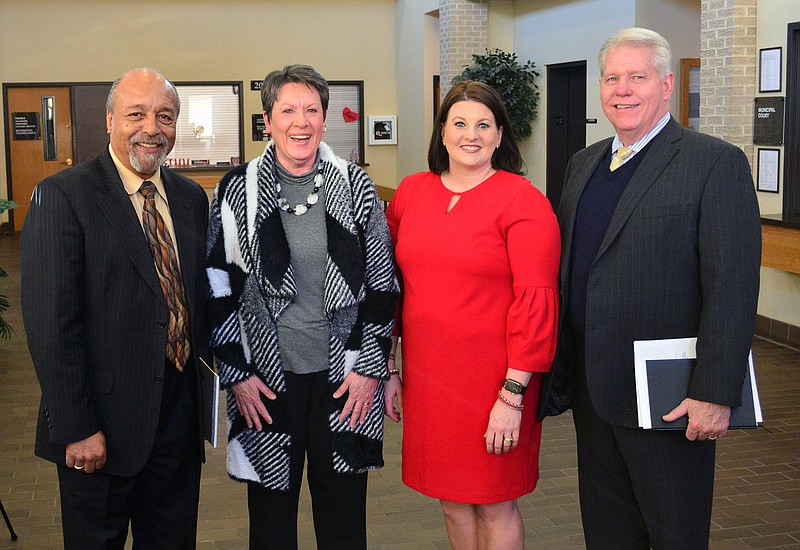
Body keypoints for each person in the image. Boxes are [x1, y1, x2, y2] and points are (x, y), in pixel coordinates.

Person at [538, 28, 762, 549]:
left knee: (673, 534)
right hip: (596, 392)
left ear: (665, 84)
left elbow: (732, 286)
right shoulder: (582, 164)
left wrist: (714, 391)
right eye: (612, 78)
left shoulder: (713, 163)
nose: (623, 90)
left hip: (671, 396)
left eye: (636, 77)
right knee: (607, 531)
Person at [205, 64, 399, 549]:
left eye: (312, 110)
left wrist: (371, 369)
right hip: (265, 386)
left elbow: (382, 284)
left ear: (325, 120)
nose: (301, 121)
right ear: (267, 121)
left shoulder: (355, 186)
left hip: (347, 381)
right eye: (287, 110)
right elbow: (217, 286)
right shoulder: (235, 190)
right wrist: (237, 374)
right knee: (271, 524)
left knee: (343, 521)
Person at [20, 68, 211, 549]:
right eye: (135, 114)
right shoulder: (64, 196)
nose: (151, 127)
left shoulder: (190, 199)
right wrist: (78, 426)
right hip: (99, 430)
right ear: (109, 121)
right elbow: (50, 326)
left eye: (164, 116)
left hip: (176, 425)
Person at [385, 80, 560, 549]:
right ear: (442, 132)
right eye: (459, 123)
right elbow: (390, 286)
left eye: (484, 125)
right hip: (430, 377)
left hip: (495, 382)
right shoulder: (411, 193)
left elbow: (537, 302)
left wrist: (513, 395)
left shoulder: (523, 200)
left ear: (500, 135)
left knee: (494, 501)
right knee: (452, 499)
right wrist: (389, 366)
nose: (471, 134)